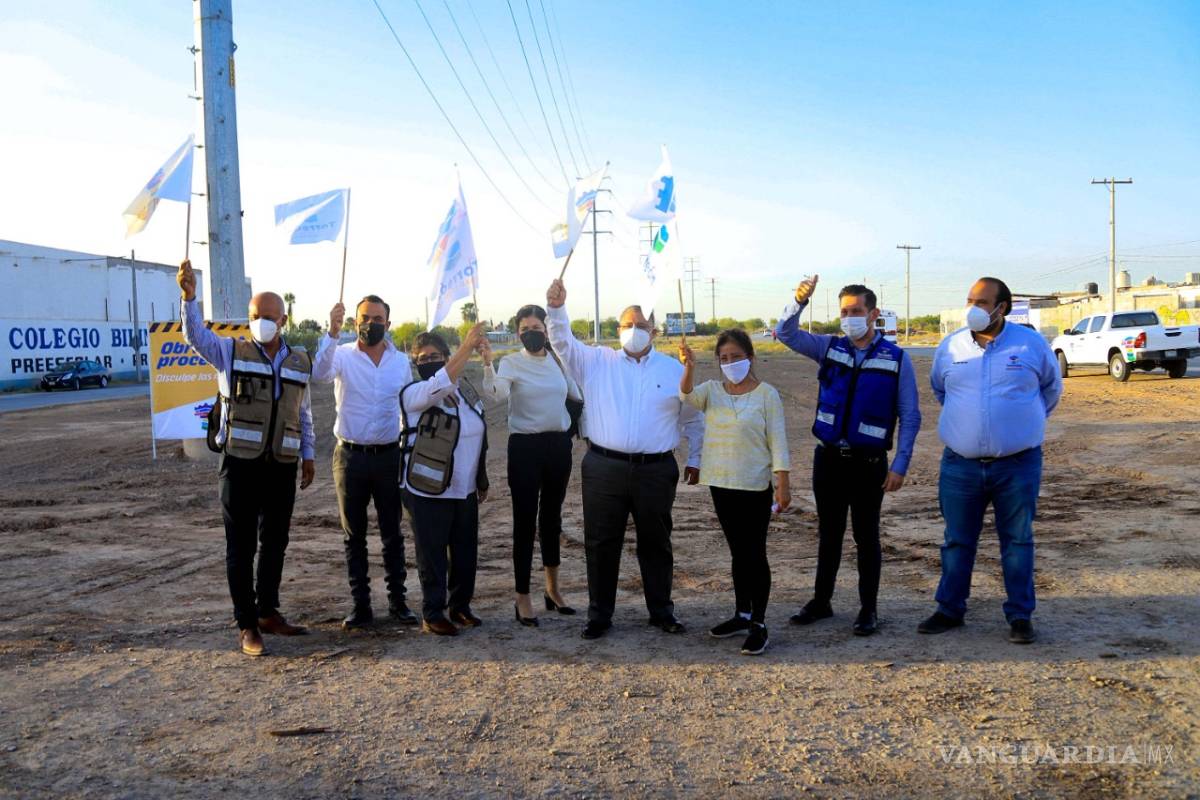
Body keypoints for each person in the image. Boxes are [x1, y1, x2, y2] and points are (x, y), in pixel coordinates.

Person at [545, 278, 704, 640]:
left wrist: (695, 458)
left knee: (657, 542)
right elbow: (561, 341)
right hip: (604, 467)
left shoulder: (674, 369)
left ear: (655, 331)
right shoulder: (594, 361)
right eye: (628, 325)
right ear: (618, 330)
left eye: (642, 325)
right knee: (601, 543)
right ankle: (600, 615)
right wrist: (556, 309)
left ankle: (662, 611)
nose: (635, 331)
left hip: (656, 469)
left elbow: (693, 418)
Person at [177, 259, 315, 657]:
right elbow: (195, 337)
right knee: (241, 547)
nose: (261, 322)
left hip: (282, 465)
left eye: (268, 317)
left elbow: (302, 413)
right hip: (239, 465)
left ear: (283, 319)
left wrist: (308, 454)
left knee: (276, 542)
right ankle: (247, 625)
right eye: (255, 316)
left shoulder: (297, 360)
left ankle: (269, 611)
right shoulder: (229, 352)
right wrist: (190, 299)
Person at [775, 275, 921, 636]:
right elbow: (787, 334)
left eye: (856, 311)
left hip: (869, 464)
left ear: (873, 314)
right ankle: (822, 602)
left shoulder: (896, 358)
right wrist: (798, 301)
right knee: (829, 534)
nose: (849, 317)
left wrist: (900, 464)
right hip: (828, 461)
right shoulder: (829, 347)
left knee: (866, 537)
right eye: (844, 311)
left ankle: (868, 609)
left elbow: (911, 415)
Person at [919, 277, 1061, 644]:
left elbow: (1050, 389)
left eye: (982, 302)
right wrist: (969, 424)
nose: (974, 308)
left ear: (1003, 308)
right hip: (960, 465)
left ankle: (1019, 615)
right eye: (970, 300)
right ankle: (950, 609)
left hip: (1017, 465)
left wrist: (1018, 423)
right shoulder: (951, 347)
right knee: (956, 540)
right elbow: (941, 389)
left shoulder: (1030, 344)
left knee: (1017, 540)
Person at [680, 329, 790, 655]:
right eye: (724, 358)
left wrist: (782, 482)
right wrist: (689, 367)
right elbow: (686, 396)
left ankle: (759, 622)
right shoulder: (712, 391)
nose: (730, 363)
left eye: (736, 356)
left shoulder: (767, 394)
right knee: (738, 552)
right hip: (721, 484)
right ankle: (742, 613)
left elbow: (779, 441)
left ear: (750, 357)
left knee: (754, 554)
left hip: (754, 485)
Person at [312, 295, 417, 630]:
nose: (370, 323)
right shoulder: (341, 356)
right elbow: (319, 373)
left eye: (377, 318)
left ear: (388, 322)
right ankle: (361, 606)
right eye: (364, 318)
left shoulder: (400, 363)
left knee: (392, 534)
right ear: (355, 321)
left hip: (388, 456)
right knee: (353, 535)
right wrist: (331, 331)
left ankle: (398, 603)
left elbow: (407, 405)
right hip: (350, 457)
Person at [480, 305, 583, 627]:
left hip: (557, 447)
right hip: (525, 447)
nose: (530, 332)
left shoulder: (557, 360)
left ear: (545, 329)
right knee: (524, 521)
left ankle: (553, 589)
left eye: (536, 326)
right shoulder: (511, 362)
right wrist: (487, 364)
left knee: (552, 518)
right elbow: (496, 394)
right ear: (517, 333)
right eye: (524, 329)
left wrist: (572, 428)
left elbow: (576, 396)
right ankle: (522, 595)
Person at [400, 325, 490, 636]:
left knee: (465, 552)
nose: (429, 361)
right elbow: (438, 385)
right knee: (432, 554)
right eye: (422, 358)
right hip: (426, 490)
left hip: (463, 488)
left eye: (435, 356)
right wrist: (467, 346)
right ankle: (433, 612)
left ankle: (460, 606)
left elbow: (480, 432)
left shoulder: (464, 392)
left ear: (446, 357)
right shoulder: (415, 394)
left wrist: (481, 478)